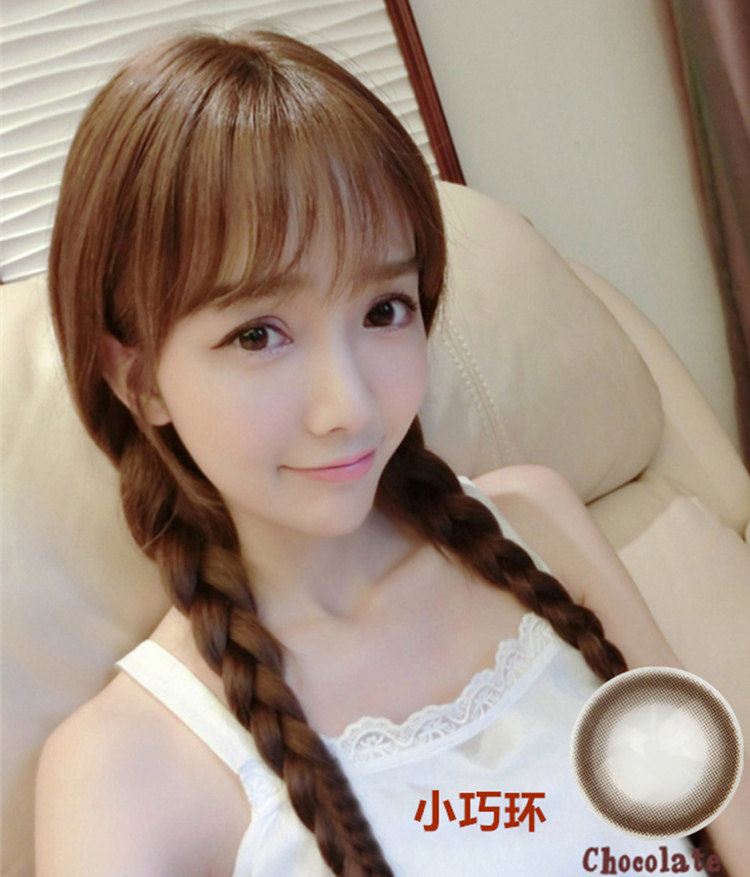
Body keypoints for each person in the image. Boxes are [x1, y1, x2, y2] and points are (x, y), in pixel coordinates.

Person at [34, 29, 746, 877]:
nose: (351, 406)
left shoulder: (537, 521)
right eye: (258, 334)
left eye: (383, 310)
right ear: (139, 379)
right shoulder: (119, 772)